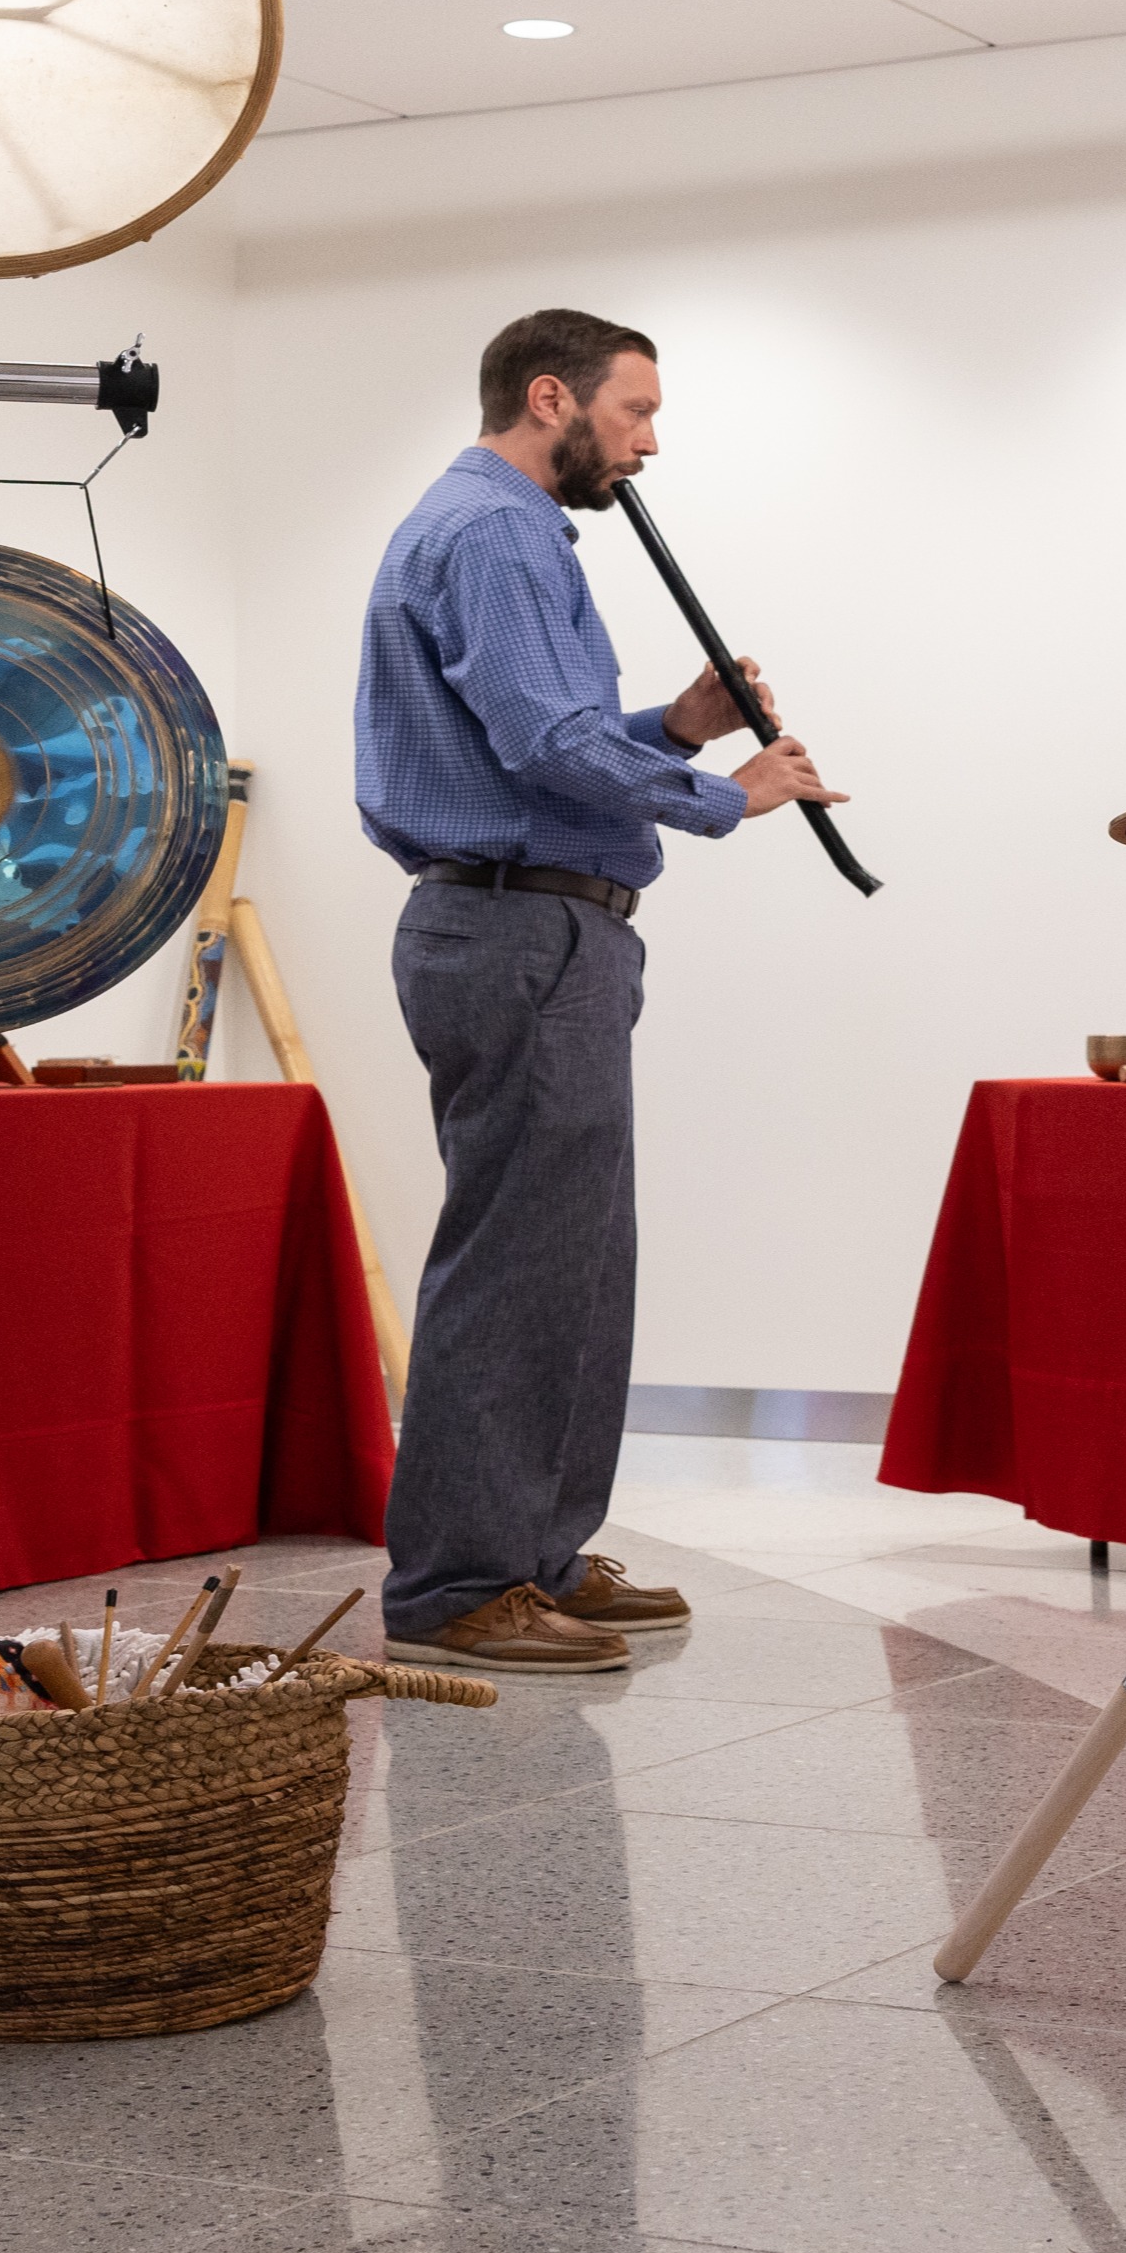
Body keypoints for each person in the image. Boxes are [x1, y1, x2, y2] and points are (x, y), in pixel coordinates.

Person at [354, 308, 843, 1674]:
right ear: (551, 397)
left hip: (541, 928)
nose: (649, 442)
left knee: (572, 1258)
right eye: (637, 411)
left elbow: (526, 746)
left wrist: (673, 729)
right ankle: (458, 1582)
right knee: (516, 1260)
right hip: (516, 929)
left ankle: (535, 1555)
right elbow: (543, 740)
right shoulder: (494, 532)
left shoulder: (503, 530)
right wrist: (722, 793)